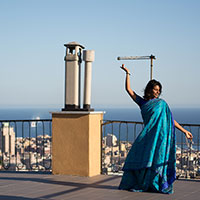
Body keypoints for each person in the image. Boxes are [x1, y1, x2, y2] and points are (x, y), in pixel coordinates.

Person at [118, 64, 193, 194]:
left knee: (157, 160)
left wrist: (184, 130)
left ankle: (156, 185)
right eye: (155, 89)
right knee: (140, 158)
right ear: (149, 89)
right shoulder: (143, 102)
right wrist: (127, 74)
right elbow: (129, 90)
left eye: (159, 90)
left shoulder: (162, 104)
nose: (157, 92)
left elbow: (170, 120)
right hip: (147, 137)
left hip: (160, 138)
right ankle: (142, 183)